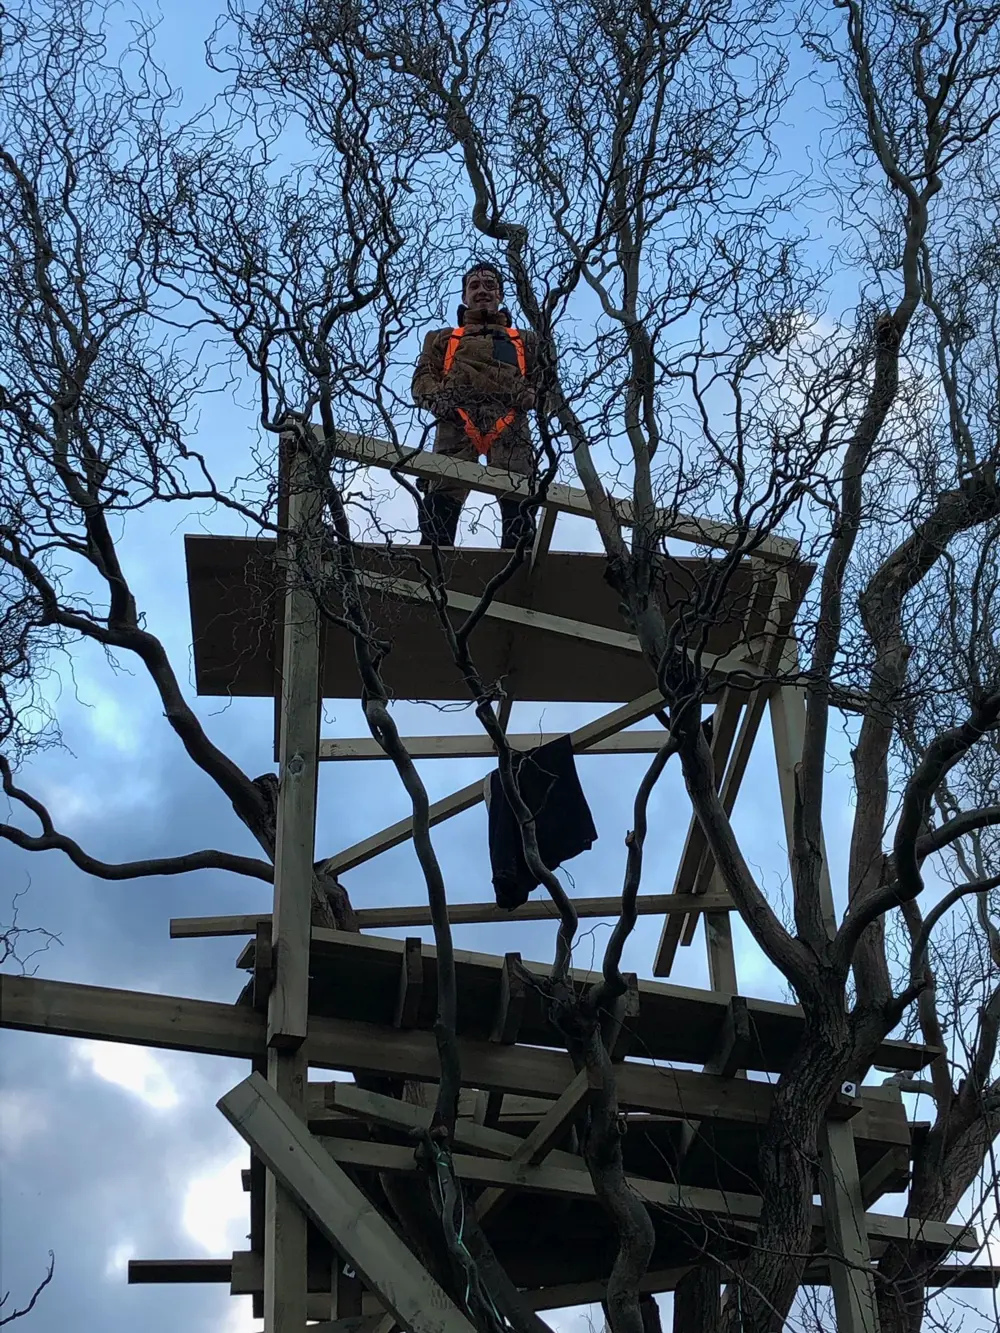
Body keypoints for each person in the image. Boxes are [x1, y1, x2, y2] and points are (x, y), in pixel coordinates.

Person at [411, 262, 537, 548]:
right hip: (456, 421)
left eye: (490, 285)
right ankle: (433, 573)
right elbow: (422, 380)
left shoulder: (526, 341)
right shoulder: (443, 338)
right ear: (464, 296)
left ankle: (519, 578)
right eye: (475, 286)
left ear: (501, 294)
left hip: (510, 425)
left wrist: (532, 396)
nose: (482, 291)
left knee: (520, 508)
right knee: (439, 508)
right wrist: (439, 400)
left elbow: (548, 386)